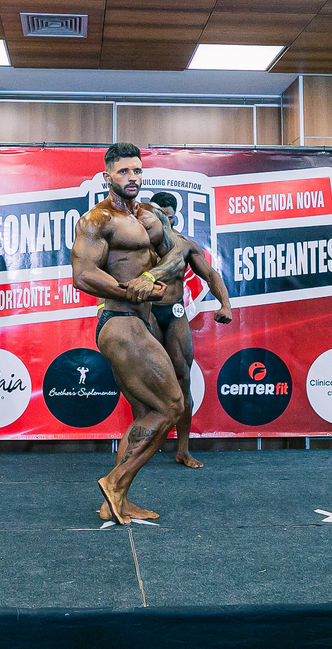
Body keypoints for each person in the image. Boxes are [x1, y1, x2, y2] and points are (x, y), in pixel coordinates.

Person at [72, 142, 186, 524]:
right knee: (172, 406)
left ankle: (116, 499)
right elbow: (83, 275)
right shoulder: (96, 220)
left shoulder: (151, 215)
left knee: (148, 412)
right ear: (107, 176)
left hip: (140, 322)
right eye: (123, 171)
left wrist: (149, 276)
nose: (132, 177)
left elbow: (176, 256)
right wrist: (129, 290)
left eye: (137, 170)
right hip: (119, 321)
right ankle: (115, 482)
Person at [145, 192, 232, 469]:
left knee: (183, 378)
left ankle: (183, 450)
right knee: (143, 381)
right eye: (159, 216)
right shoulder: (137, 244)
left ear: (175, 217)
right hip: (146, 313)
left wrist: (225, 304)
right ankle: (139, 450)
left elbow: (211, 275)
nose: (164, 222)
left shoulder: (184, 245)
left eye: (169, 217)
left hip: (174, 313)